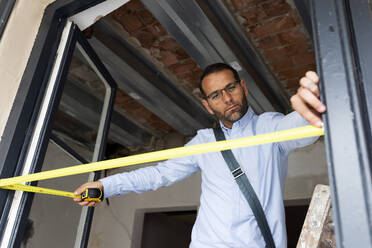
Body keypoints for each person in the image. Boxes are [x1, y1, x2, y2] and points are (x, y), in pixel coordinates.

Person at [73, 63, 326, 247]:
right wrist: (106, 186)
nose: (227, 98)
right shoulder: (203, 142)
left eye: (231, 88)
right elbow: (160, 174)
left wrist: (314, 107)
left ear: (243, 87)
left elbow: (302, 127)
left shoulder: (269, 127)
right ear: (207, 104)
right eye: (216, 95)